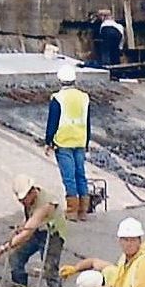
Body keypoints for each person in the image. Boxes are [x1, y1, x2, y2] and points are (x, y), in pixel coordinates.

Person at [0, 174, 68, 287]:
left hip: (52, 234)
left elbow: (27, 232)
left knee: (50, 269)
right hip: (37, 229)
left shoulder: (46, 204)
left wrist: (2, 248)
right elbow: (30, 221)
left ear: (32, 192)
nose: (22, 202)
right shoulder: (29, 202)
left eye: (23, 199)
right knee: (15, 258)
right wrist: (21, 227)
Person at [46, 64, 92, 220]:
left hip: (63, 141)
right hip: (80, 140)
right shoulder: (84, 97)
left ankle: (72, 210)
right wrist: (87, 142)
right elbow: (87, 121)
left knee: (69, 177)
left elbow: (52, 121)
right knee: (81, 175)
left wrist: (48, 141)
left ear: (60, 80)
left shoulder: (58, 98)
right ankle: (83, 211)